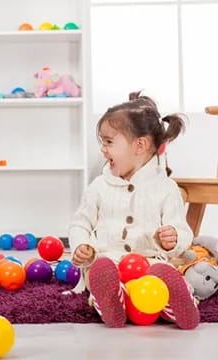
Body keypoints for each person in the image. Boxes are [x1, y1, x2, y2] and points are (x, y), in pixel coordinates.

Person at [69, 91, 200, 330]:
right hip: (108, 262)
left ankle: (180, 304)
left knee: (160, 280)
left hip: (150, 264)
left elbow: (182, 231)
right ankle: (112, 301)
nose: (103, 149)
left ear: (139, 145)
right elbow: (81, 223)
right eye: (102, 142)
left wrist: (172, 239)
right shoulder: (99, 186)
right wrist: (81, 246)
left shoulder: (166, 189)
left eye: (109, 142)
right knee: (100, 274)